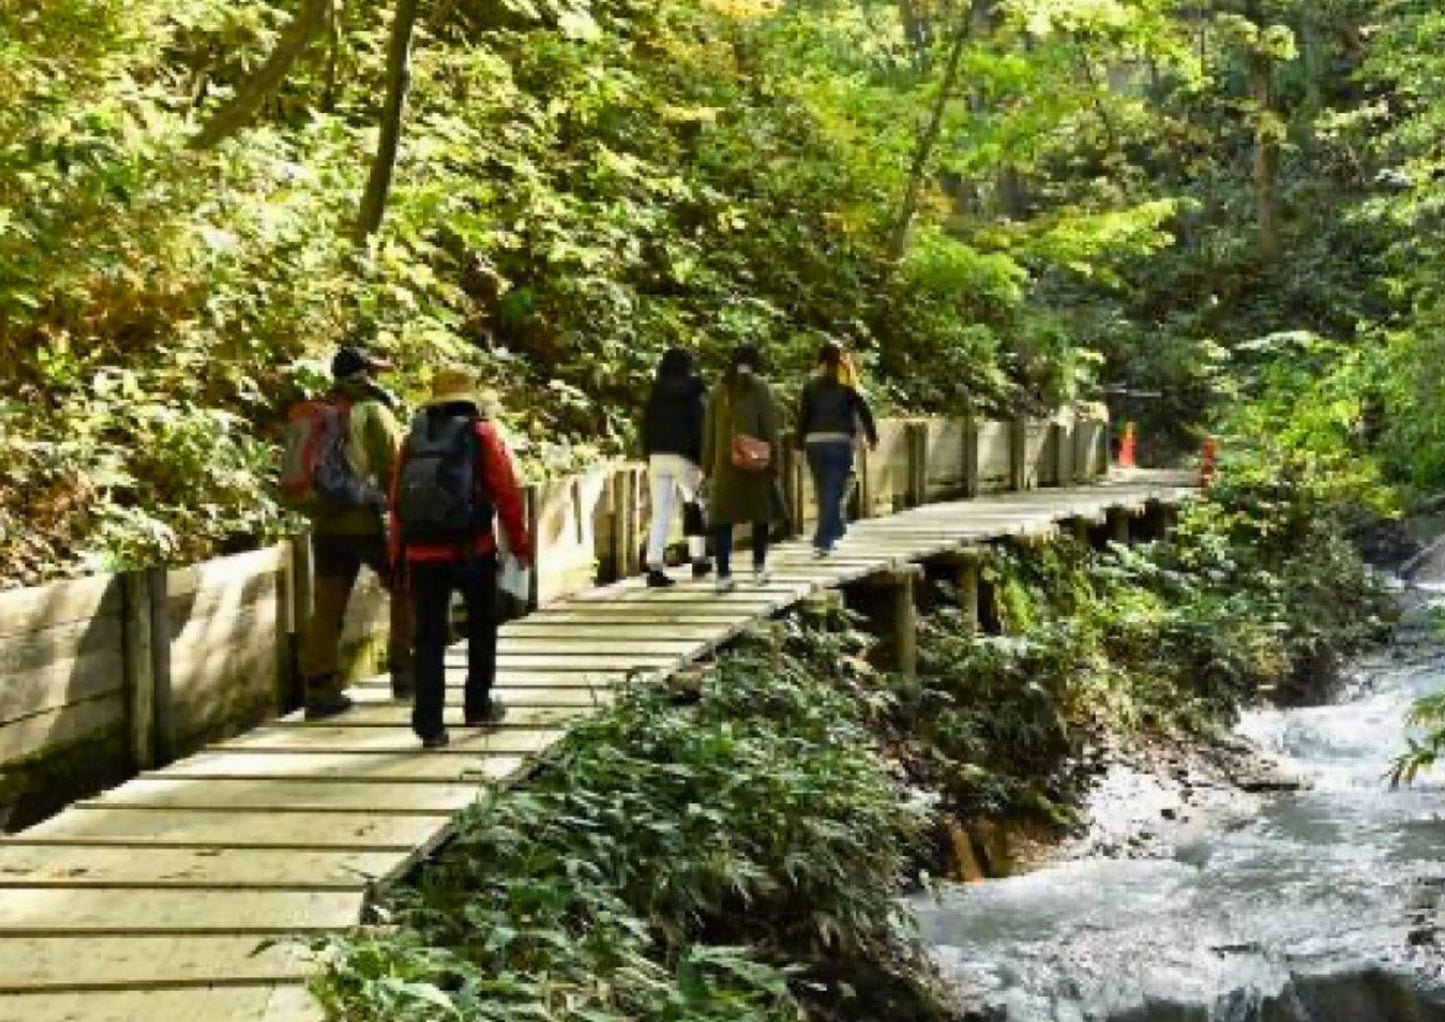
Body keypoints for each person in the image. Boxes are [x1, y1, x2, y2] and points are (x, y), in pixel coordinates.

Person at [391, 365, 531, 749]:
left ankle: (429, 725)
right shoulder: (482, 433)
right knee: (482, 627)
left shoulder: (412, 440)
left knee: (429, 638)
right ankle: (477, 704)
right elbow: (506, 492)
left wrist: (397, 555)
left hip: (422, 554)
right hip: (473, 549)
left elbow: (397, 503)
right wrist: (520, 545)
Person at [299, 344, 413, 721]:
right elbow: (394, 468)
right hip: (367, 522)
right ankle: (404, 671)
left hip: (326, 523)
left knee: (328, 607)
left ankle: (320, 690)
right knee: (404, 586)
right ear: (365, 375)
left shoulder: (319, 411)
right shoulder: (373, 412)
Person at [702, 345, 783, 593]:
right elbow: (769, 428)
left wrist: (708, 468)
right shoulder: (760, 387)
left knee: (723, 521)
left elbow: (709, 433)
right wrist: (774, 460)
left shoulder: (718, 390)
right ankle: (759, 568)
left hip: (725, 466)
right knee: (761, 516)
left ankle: (723, 575)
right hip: (755, 464)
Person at [796, 341, 878, 558]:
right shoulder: (847, 385)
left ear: (821, 363)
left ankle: (835, 529)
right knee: (834, 490)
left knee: (823, 489)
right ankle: (824, 539)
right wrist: (872, 437)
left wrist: (797, 445)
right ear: (840, 362)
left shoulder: (810, 386)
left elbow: (803, 417)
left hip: (814, 443)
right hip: (838, 442)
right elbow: (864, 410)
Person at [641, 347, 711, 588]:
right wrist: (703, 461)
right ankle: (698, 558)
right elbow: (701, 428)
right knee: (693, 504)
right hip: (684, 457)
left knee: (660, 512)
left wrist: (647, 454)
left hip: (657, 456)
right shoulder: (694, 394)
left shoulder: (656, 393)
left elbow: (645, 426)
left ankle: (654, 566)